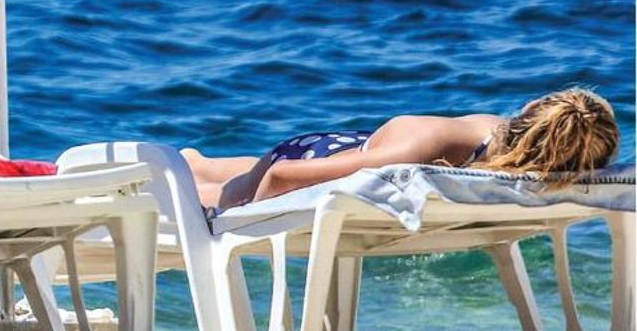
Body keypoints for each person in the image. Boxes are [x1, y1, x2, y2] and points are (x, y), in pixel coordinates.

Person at [181, 88, 621, 212]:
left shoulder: (515, 156)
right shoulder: (436, 147)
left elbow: (282, 178)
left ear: (528, 113)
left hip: (349, 152)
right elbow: (281, 174)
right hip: (320, 153)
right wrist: (238, 216)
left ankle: (197, 163)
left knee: (222, 184)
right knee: (212, 192)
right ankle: (191, 166)